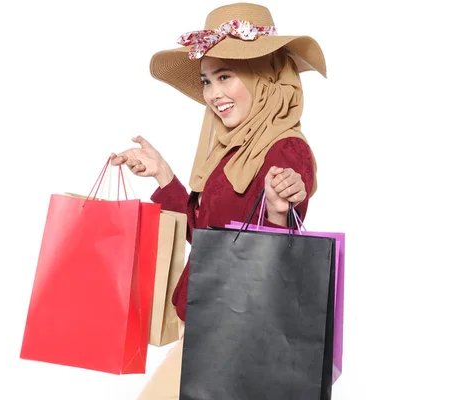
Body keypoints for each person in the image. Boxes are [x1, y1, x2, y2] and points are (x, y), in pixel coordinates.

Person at [111, 3, 326, 398]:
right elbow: (210, 240)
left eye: (225, 76)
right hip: (212, 319)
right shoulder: (229, 150)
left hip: (238, 331)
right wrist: (163, 174)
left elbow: (274, 256)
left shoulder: (285, 150)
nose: (213, 94)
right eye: (207, 80)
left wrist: (281, 209)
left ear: (266, 76)